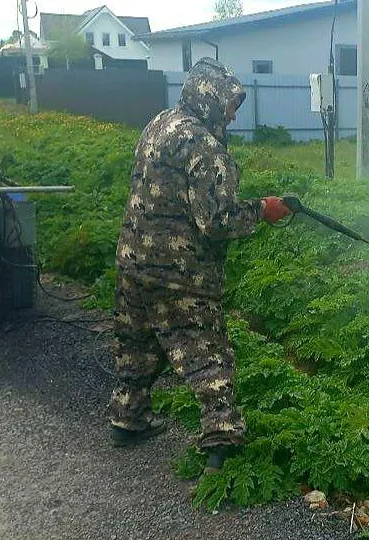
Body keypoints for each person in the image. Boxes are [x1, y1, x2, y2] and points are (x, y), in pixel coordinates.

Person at [106, 58, 291, 470]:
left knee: (136, 345)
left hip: (133, 263)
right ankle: (221, 444)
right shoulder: (204, 146)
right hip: (180, 274)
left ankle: (127, 419)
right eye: (229, 104)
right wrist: (263, 210)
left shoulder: (160, 124)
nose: (233, 114)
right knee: (206, 356)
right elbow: (217, 221)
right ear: (210, 98)